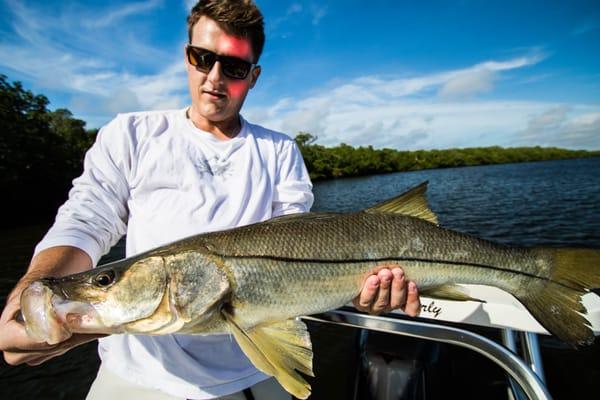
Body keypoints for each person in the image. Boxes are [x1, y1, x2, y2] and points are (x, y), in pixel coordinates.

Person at [0, 1, 421, 399]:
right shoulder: (131, 134)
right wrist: (33, 286)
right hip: (136, 375)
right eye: (203, 58)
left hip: (254, 370)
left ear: (253, 76)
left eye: (234, 66)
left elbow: (301, 243)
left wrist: (355, 287)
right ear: (187, 57)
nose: (215, 77)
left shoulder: (278, 150)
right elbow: (86, 220)